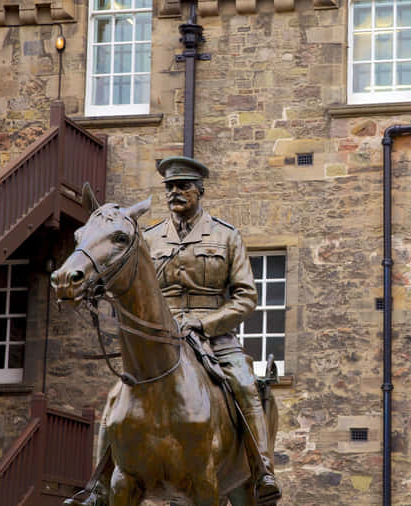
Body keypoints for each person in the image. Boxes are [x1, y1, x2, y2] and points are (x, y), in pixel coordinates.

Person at [143, 156, 281, 504]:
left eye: (183, 186)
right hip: (164, 339)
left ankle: (262, 469)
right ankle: (101, 480)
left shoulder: (225, 235)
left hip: (214, 337)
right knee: (122, 393)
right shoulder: (149, 238)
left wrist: (204, 323)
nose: (175, 192)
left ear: (199, 191)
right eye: (170, 187)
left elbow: (246, 297)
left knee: (245, 385)